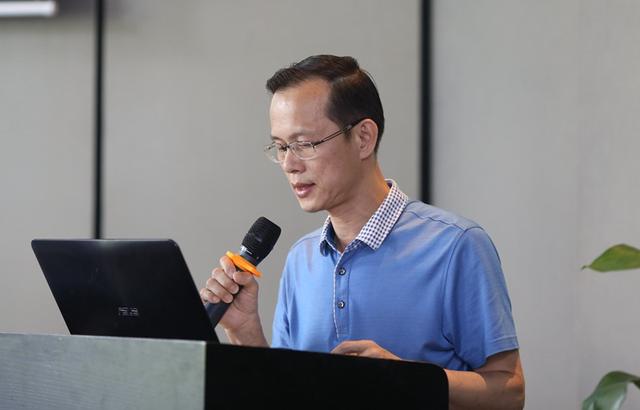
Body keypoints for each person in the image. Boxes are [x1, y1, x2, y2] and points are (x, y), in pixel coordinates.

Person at [200, 55, 525, 409]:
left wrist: (405, 378)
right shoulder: (300, 259)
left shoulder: (456, 246)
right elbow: (283, 395)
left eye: (304, 144)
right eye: (281, 147)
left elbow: (509, 392)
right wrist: (245, 333)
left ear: (363, 138)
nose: (290, 165)